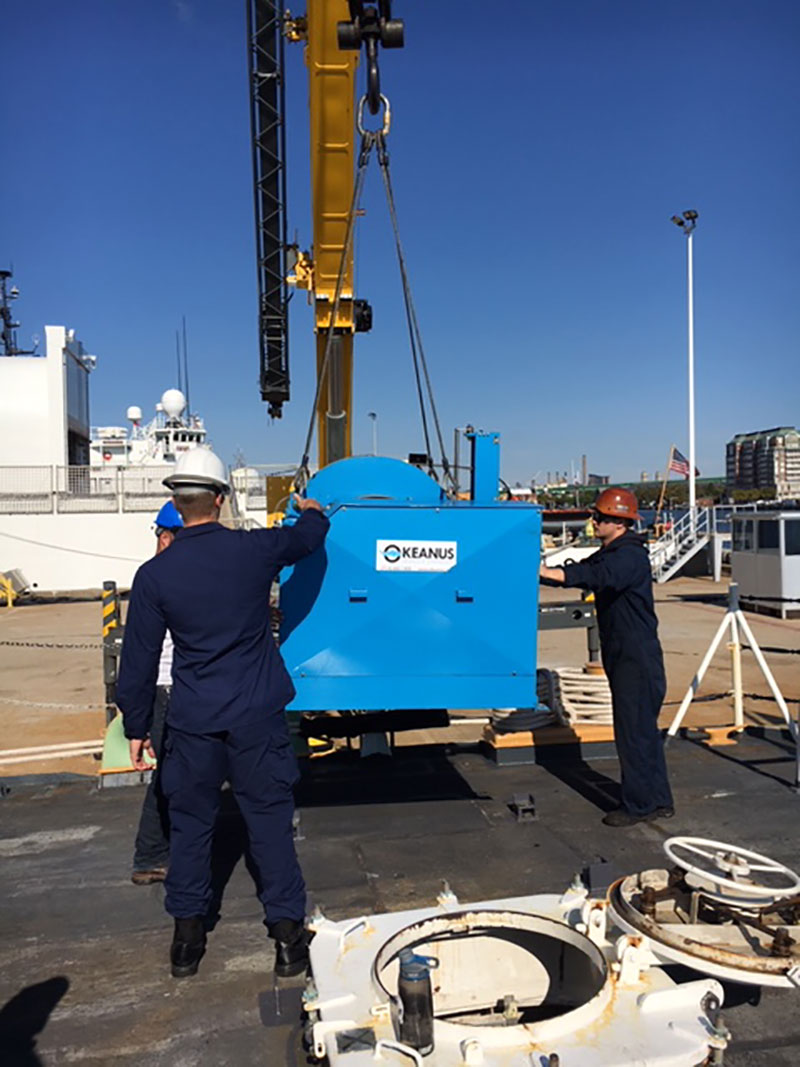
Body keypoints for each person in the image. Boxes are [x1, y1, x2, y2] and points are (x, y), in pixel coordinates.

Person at [116, 447, 329, 978]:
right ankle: (287, 940)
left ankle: (186, 945)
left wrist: (137, 728)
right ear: (220, 498)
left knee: (190, 830)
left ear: (177, 502)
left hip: (192, 723)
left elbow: (138, 661)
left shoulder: (154, 575)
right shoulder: (253, 550)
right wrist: (313, 508)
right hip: (256, 717)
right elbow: (307, 539)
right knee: (269, 826)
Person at [539, 487, 674, 828]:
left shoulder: (627, 558)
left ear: (619, 522)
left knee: (633, 732)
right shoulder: (612, 551)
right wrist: (544, 571)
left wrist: (547, 573)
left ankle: (639, 805)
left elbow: (594, 576)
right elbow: (582, 570)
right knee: (642, 731)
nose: (593, 521)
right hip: (628, 654)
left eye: (599, 517)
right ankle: (658, 800)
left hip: (635, 657)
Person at [130, 501, 183, 886]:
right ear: (166, 538)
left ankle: (152, 854)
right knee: (170, 776)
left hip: (173, 688)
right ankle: (150, 855)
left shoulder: (154, 578)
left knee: (174, 775)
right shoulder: (160, 578)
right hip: (170, 690)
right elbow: (140, 657)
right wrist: (138, 721)